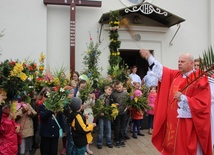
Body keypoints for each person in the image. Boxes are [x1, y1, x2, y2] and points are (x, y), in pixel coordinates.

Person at [139, 49, 212, 155]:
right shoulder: (176, 75)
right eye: (178, 61)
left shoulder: (200, 79)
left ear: (191, 63)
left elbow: (203, 104)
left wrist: (183, 98)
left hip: (186, 125)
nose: (179, 63)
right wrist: (149, 57)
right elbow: (162, 71)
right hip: (171, 121)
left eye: (182, 62)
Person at [112, 81, 128, 148]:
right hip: (117, 113)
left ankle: (121, 139)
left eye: (120, 87)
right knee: (117, 127)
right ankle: (116, 140)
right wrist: (114, 104)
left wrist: (129, 105)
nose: (119, 88)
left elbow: (129, 101)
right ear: (115, 88)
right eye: (117, 87)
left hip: (124, 112)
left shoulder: (126, 94)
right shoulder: (113, 94)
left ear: (122, 86)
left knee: (122, 127)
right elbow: (111, 102)